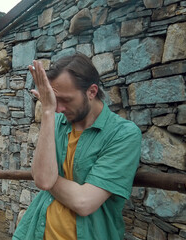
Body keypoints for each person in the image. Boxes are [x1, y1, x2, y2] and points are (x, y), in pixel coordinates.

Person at [12, 53, 142, 240]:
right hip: (36, 233)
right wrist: (47, 111)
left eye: (66, 100)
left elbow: (84, 202)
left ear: (91, 91)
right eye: (55, 100)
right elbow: (41, 178)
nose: (59, 108)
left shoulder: (123, 134)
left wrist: (47, 176)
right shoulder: (55, 120)